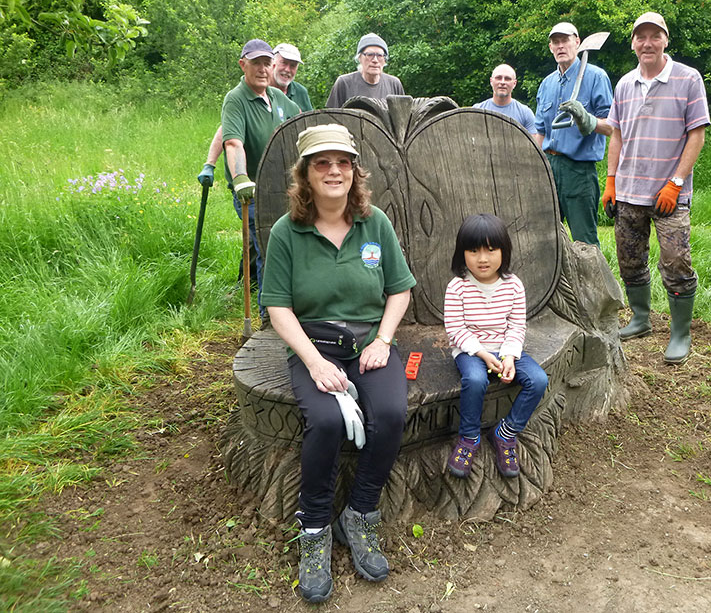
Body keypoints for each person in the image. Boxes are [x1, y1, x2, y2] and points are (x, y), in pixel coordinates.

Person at [260, 124, 416, 603]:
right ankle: (314, 529)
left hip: (369, 343)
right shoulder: (288, 232)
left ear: (354, 171)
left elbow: (399, 289)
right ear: (305, 174)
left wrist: (384, 340)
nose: (334, 170)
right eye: (322, 163)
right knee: (326, 422)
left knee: (390, 414)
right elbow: (278, 307)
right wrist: (312, 361)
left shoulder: (376, 224)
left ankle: (361, 514)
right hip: (314, 348)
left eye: (343, 162)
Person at [604, 12, 710, 364]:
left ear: (666, 40)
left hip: (670, 194)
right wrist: (611, 180)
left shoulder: (688, 78)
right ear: (633, 43)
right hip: (629, 190)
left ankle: (680, 333)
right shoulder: (624, 84)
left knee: (676, 261)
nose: (647, 43)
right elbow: (616, 134)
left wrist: (676, 182)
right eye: (640, 37)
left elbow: (697, 135)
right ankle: (640, 319)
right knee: (629, 259)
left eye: (655, 36)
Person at [196, 42, 312, 289]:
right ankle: (268, 310)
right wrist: (239, 178)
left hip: (281, 184)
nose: (262, 69)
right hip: (252, 190)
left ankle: (268, 291)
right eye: (255, 63)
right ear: (243, 65)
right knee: (266, 244)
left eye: (265, 63)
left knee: (275, 242)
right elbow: (232, 141)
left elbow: (302, 121)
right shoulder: (236, 99)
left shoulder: (277, 96)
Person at [443, 214, 549, 479]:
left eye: (491, 250)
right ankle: (469, 437)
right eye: (473, 250)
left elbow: (516, 326)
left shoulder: (513, 286)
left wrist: (510, 357)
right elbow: (455, 329)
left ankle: (506, 432)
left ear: (504, 251)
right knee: (476, 379)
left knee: (537, 380)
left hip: (504, 348)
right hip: (470, 350)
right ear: (461, 253)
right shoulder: (458, 287)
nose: (482, 259)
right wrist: (480, 353)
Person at [534, 22, 613, 247]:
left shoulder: (596, 77)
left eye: (565, 40)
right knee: (546, 240)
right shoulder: (546, 84)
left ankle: (592, 283)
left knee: (584, 243)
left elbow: (612, 127)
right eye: (555, 42)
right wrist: (534, 166)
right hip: (548, 168)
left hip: (578, 171)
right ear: (550, 47)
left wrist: (587, 119)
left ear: (577, 42)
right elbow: (540, 132)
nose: (560, 46)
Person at [325, 33, 405, 108]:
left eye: (380, 55)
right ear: (359, 58)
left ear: (384, 60)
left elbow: (402, 117)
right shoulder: (344, 83)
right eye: (370, 55)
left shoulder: (394, 84)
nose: (375, 60)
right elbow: (332, 117)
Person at [473, 64, 537, 135]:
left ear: (514, 83)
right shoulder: (477, 110)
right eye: (498, 78)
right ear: (491, 81)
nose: (502, 82)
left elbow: (534, 143)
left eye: (507, 79)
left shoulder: (525, 113)